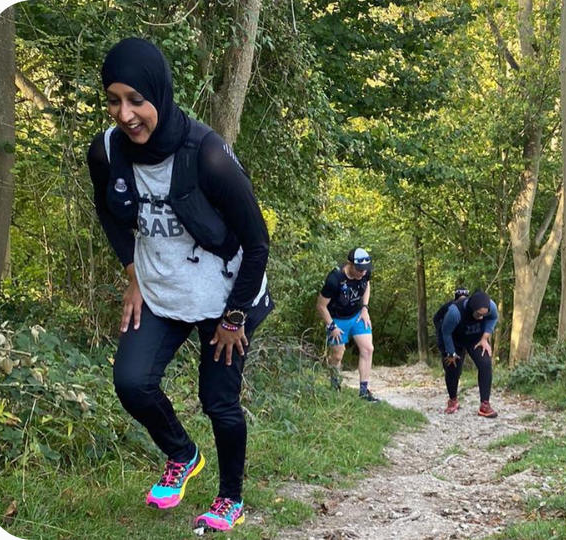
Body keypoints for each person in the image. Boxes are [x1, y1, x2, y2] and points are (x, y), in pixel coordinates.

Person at [87, 38, 272, 532]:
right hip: (161, 290)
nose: (125, 114)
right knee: (131, 382)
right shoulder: (107, 152)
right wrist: (132, 273)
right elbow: (107, 213)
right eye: (113, 99)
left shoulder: (205, 153)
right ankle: (183, 454)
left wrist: (234, 318)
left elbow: (257, 242)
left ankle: (230, 496)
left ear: (160, 95)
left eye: (136, 99)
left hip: (225, 295)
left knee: (219, 401)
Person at [317, 248, 379, 401]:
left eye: (365, 270)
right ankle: (334, 384)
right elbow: (320, 305)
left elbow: (367, 286)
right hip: (336, 319)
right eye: (359, 270)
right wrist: (332, 326)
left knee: (368, 348)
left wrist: (365, 307)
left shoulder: (365, 273)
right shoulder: (335, 279)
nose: (362, 273)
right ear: (350, 264)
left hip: (357, 315)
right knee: (338, 355)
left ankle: (364, 391)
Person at [432, 289, 499, 417]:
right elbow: (446, 332)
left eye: (484, 314)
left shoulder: (491, 306)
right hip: (453, 339)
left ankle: (484, 405)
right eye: (479, 314)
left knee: (485, 364)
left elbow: (493, 318)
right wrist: (450, 353)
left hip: (475, 339)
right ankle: (453, 400)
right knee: (452, 367)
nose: (481, 317)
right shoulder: (454, 312)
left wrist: (485, 338)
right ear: (471, 309)